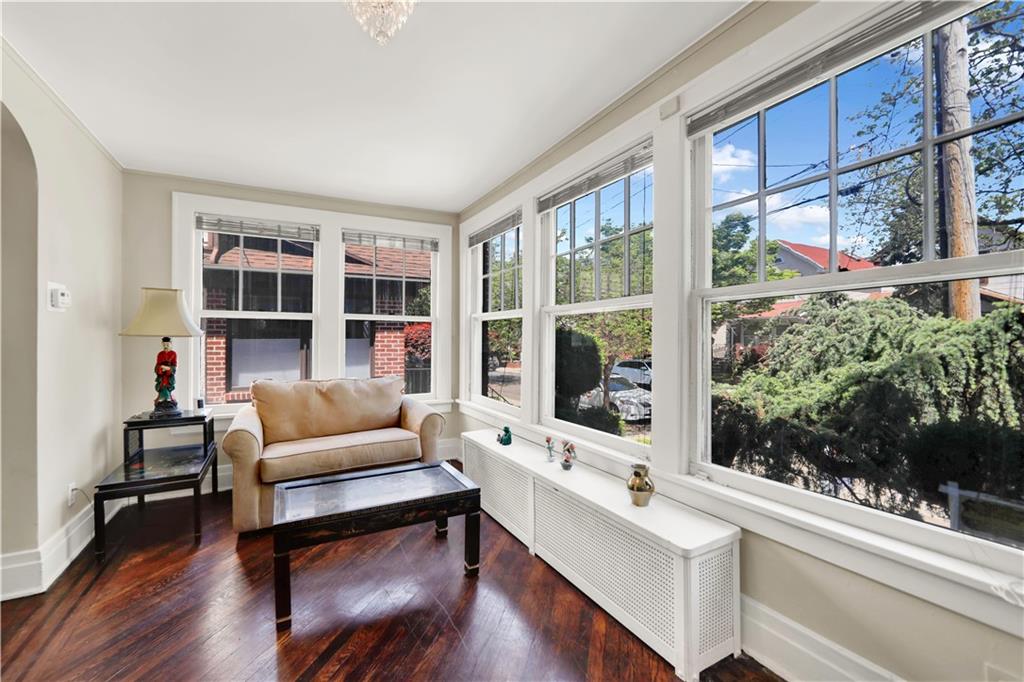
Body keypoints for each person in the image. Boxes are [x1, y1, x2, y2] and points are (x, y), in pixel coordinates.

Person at [155, 336, 177, 407]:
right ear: (162, 344)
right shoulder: (160, 354)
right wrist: (161, 368)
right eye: (164, 345)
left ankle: (168, 398)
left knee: (168, 386)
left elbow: (174, 366)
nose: (166, 346)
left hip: (169, 375)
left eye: (167, 344)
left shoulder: (173, 353)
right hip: (162, 375)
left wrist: (168, 368)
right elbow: (157, 366)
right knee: (162, 386)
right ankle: (161, 398)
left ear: (171, 344)